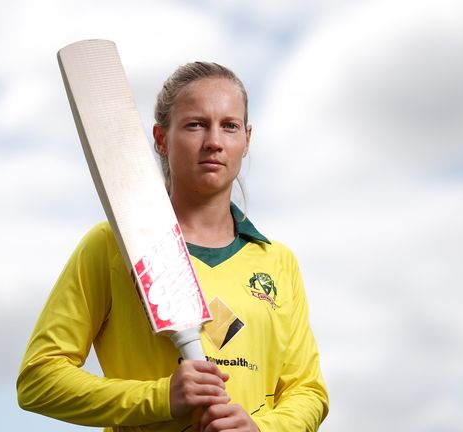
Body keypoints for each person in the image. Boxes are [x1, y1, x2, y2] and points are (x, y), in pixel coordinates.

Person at [17, 61, 328, 431]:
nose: (214, 140)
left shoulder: (277, 262)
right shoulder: (111, 246)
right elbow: (39, 380)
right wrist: (160, 398)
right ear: (161, 139)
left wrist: (263, 429)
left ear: (246, 139)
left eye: (229, 126)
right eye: (196, 124)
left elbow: (307, 391)